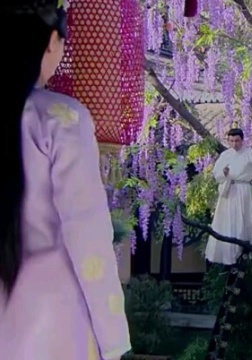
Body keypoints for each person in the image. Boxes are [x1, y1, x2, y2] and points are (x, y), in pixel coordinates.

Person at [0, 1, 130, 359]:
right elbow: (88, 236)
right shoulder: (62, 119)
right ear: (52, 42)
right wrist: (114, 340)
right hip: (53, 325)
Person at [205, 128, 252, 265]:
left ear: (242, 140)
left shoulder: (251, 154)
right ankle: (229, 253)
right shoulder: (225, 155)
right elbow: (217, 175)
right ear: (228, 141)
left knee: (244, 219)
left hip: (244, 190)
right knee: (227, 221)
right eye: (231, 141)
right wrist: (224, 173)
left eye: (237, 140)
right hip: (228, 190)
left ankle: (243, 250)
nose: (234, 144)